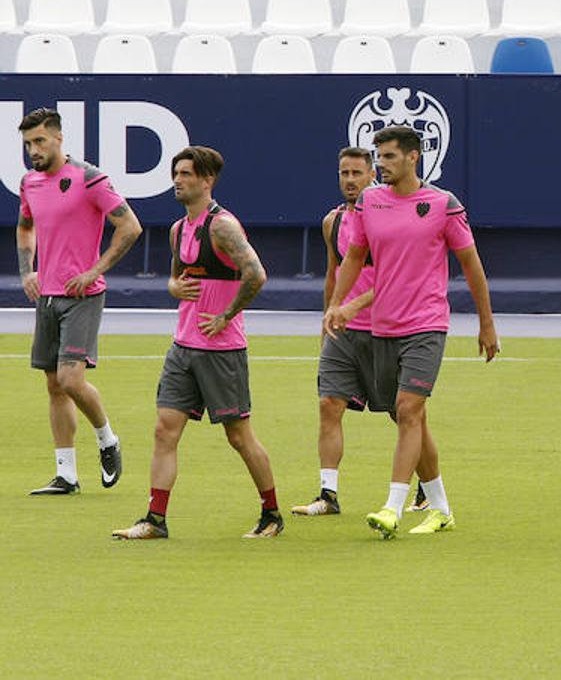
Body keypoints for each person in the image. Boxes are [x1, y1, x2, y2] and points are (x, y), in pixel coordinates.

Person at [324, 126, 499, 539]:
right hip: (384, 326)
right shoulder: (370, 201)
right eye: (379, 157)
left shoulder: (443, 205)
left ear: (413, 157)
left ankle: (393, 506)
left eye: (388, 157)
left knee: (408, 409)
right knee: (408, 416)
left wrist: (486, 323)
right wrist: (338, 303)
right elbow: (355, 257)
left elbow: (472, 266)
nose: (381, 164)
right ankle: (440, 508)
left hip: (427, 324)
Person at [113, 146, 282, 540]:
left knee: (239, 437)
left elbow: (256, 274)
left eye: (186, 173)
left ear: (207, 180)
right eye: (176, 172)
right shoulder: (178, 229)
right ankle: (155, 519)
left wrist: (226, 315)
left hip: (221, 351)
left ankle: (271, 513)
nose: (178, 179)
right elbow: (176, 279)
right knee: (164, 430)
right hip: (183, 346)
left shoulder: (223, 227)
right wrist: (173, 286)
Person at [17, 107, 142, 496]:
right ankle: (66, 475)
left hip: (82, 295)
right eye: (27, 144)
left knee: (72, 379)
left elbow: (130, 226)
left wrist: (94, 270)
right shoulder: (29, 183)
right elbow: (25, 226)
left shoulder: (89, 178)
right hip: (48, 296)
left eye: (39, 141)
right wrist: (28, 270)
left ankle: (107, 439)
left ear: (58, 138)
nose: (34, 150)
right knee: (54, 385)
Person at [292, 147, 382, 517]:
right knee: (329, 405)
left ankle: (426, 488)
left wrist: (353, 307)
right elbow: (334, 273)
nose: (349, 180)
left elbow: (397, 278)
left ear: (372, 175)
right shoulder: (332, 221)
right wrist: (329, 315)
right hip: (343, 330)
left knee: (405, 413)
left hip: (386, 328)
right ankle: (328, 495)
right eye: (344, 173)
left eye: (356, 173)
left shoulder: (387, 219)